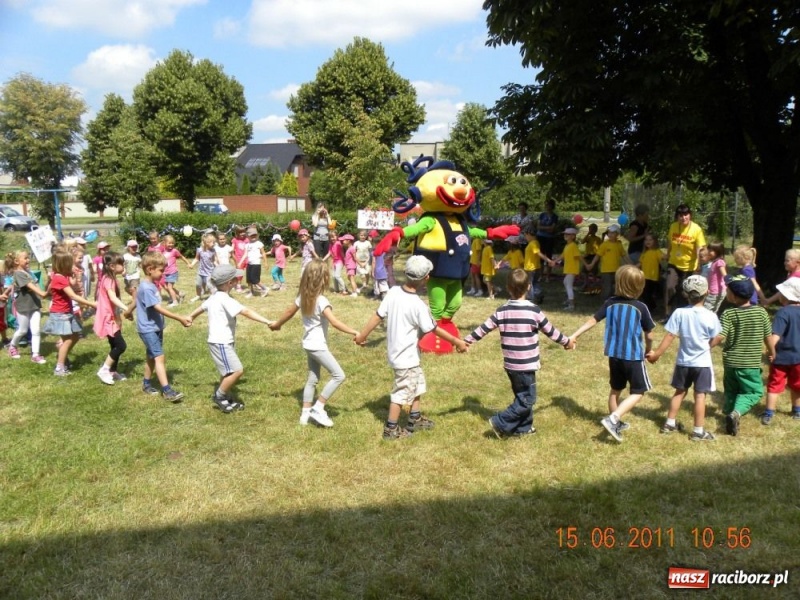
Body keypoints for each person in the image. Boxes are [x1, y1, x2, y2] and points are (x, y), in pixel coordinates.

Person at [354, 255, 468, 440]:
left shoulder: (393, 292)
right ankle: (391, 429)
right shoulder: (418, 305)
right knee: (401, 392)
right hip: (405, 358)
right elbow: (434, 329)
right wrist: (457, 342)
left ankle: (414, 418)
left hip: (399, 354)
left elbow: (377, 316)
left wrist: (362, 335)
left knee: (417, 384)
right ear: (427, 278)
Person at [465, 268, 574, 437]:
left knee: (521, 396)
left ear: (508, 288)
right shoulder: (534, 311)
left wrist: (467, 340)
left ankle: (524, 428)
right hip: (525, 364)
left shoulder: (502, 310)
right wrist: (567, 342)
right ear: (529, 287)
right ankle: (500, 421)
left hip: (510, 364)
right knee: (527, 399)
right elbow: (551, 332)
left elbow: (483, 329)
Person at [270, 259, 360, 427]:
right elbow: (335, 322)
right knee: (339, 375)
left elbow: (289, 312)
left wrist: (277, 324)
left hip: (308, 344)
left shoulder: (302, 296)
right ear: (324, 278)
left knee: (313, 378)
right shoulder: (322, 301)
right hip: (318, 346)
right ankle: (318, 407)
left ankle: (305, 414)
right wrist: (355, 331)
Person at [569, 265, 655, 442]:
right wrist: (649, 349)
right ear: (639, 286)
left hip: (614, 356)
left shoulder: (610, 303)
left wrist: (575, 335)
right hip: (633, 357)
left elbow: (592, 320)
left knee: (615, 390)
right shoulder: (641, 307)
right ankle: (613, 418)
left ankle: (614, 422)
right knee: (639, 391)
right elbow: (650, 334)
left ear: (618, 283)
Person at [188, 264, 275, 414]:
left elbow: (201, 307)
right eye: (236, 278)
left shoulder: (214, 296)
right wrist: (267, 321)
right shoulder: (225, 299)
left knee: (227, 373)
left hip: (221, 341)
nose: (238, 280)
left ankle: (226, 398)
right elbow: (245, 311)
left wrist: (190, 317)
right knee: (236, 371)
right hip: (221, 342)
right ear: (230, 283)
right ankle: (219, 396)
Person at [647, 275, 721, 441]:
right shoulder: (711, 316)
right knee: (700, 396)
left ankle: (669, 423)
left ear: (685, 294)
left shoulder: (679, 313)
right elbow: (718, 336)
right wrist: (708, 346)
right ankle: (698, 431)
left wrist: (656, 354)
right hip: (702, 364)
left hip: (683, 362)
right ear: (707, 293)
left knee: (679, 392)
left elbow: (669, 336)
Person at [124, 251, 192, 402]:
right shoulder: (147, 287)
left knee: (151, 357)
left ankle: (146, 384)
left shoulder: (147, 285)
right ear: (150, 269)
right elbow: (157, 308)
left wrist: (128, 311)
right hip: (148, 329)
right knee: (159, 357)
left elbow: (137, 300)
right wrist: (179, 318)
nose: (163, 273)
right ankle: (167, 391)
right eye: (161, 270)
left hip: (155, 327)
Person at [710, 275, 771, 436]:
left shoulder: (729, 313)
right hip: (749, 363)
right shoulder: (761, 312)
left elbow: (721, 335)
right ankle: (736, 413)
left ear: (734, 296)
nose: (726, 292)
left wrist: (706, 347)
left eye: (728, 291)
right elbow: (768, 336)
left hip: (731, 361)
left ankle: (728, 412)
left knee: (731, 389)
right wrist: (772, 352)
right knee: (753, 392)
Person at [42, 249, 97, 377]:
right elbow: (73, 296)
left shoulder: (61, 276)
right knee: (67, 340)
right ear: (63, 264)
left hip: (67, 311)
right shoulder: (59, 278)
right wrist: (91, 304)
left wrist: (72, 281)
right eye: (69, 263)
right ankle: (59, 367)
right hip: (61, 313)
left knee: (75, 336)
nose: (72, 265)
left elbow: (66, 288)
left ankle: (63, 354)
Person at [762, 278, 800, 424]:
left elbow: (775, 336)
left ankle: (769, 413)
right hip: (799, 358)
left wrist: (770, 351)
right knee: (797, 385)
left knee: (774, 385)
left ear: (786, 296)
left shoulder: (783, 313)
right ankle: (797, 411)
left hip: (781, 358)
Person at [94, 252, 133, 385]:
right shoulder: (109, 279)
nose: (123, 266)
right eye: (121, 264)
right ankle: (104, 370)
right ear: (112, 266)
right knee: (121, 346)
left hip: (112, 316)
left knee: (114, 344)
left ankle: (112, 371)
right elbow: (112, 298)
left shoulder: (109, 278)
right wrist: (126, 308)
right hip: (107, 317)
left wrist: (118, 316)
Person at [6, 250, 48, 363]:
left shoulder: (28, 271)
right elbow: (30, 285)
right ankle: (12, 346)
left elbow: (35, 283)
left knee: (36, 330)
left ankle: (35, 354)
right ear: (16, 261)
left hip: (34, 304)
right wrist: (43, 293)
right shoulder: (18, 273)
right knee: (22, 330)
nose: (28, 260)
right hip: (23, 306)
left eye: (28, 258)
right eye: (25, 258)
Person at [666, 204, 706, 315]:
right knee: (670, 287)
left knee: (684, 290)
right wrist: (667, 254)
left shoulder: (696, 229)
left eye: (686, 215)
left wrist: (699, 264)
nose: (683, 218)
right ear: (677, 217)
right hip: (673, 263)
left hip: (689, 266)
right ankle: (668, 313)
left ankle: (683, 313)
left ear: (690, 215)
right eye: (680, 215)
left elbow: (700, 248)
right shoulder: (673, 226)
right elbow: (670, 242)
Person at [584, 223, 627, 299]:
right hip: (606, 270)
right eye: (609, 232)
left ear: (617, 234)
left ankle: (613, 300)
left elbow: (624, 256)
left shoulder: (619, 245)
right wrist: (591, 264)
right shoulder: (604, 244)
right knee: (607, 287)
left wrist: (632, 264)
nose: (610, 234)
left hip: (616, 270)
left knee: (615, 287)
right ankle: (605, 302)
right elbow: (597, 256)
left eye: (613, 233)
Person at [523, 227, 554, 303]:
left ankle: (531, 298)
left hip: (530, 268)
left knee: (529, 283)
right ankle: (539, 294)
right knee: (535, 282)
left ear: (530, 235)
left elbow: (539, 253)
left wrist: (548, 260)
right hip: (536, 267)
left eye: (526, 235)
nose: (525, 237)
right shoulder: (536, 242)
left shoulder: (533, 243)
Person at [237, 227, 269, 298]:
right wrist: (240, 263)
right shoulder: (247, 245)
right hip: (249, 264)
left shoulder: (259, 244)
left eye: (255, 235)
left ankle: (265, 288)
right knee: (249, 280)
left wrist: (265, 262)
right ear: (247, 236)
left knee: (255, 280)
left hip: (256, 264)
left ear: (257, 235)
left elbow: (263, 253)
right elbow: (245, 254)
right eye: (251, 235)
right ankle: (251, 292)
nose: (253, 237)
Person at [161, 235, 191, 307]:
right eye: (169, 243)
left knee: (170, 287)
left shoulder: (174, 251)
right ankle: (180, 294)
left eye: (172, 243)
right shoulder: (163, 252)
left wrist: (188, 263)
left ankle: (175, 302)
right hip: (166, 273)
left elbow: (181, 257)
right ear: (164, 243)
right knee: (166, 287)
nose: (171, 245)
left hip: (173, 272)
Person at [637, 232, 663, 316]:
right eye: (646, 240)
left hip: (652, 277)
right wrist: (632, 268)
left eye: (650, 240)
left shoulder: (657, 251)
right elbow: (640, 263)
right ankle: (652, 306)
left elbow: (664, 258)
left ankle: (650, 309)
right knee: (644, 293)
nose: (648, 241)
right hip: (644, 276)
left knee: (647, 294)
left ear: (655, 241)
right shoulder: (644, 253)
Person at [189, 233, 217, 302]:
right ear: (206, 242)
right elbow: (197, 258)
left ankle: (214, 297)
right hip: (200, 271)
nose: (213, 243)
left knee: (210, 285)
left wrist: (218, 266)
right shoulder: (200, 250)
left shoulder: (213, 251)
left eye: (214, 242)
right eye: (211, 242)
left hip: (209, 272)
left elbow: (214, 261)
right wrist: (192, 264)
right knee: (198, 284)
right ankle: (198, 296)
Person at [537, 199, 558, 280]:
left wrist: (544, 228)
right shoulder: (542, 215)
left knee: (549, 256)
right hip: (540, 237)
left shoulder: (555, 216)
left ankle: (548, 276)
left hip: (550, 238)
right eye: (546, 205)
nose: (547, 206)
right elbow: (538, 227)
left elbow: (552, 229)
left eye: (548, 205)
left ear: (552, 206)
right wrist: (548, 228)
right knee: (540, 256)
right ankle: (541, 275)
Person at [560, 227, 581, 311]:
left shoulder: (573, 246)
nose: (565, 235)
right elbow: (563, 255)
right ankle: (569, 300)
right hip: (568, 268)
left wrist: (587, 264)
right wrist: (554, 261)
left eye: (567, 234)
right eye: (565, 234)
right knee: (565, 282)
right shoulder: (567, 246)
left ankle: (571, 305)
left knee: (568, 286)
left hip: (572, 269)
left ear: (573, 236)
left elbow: (579, 256)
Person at [704, 242, 727, 312]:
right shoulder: (714, 262)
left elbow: (724, 275)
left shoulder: (719, 262)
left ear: (718, 252)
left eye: (711, 250)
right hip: (714, 291)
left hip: (715, 292)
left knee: (706, 311)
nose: (708, 252)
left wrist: (730, 285)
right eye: (709, 250)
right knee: (712, 311)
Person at [580, 223, 601, 289]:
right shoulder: (588, 238)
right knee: (585, 270)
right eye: (590, 229)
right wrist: (588, 233)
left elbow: (601, 247)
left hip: (594, 256)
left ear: (596, 230)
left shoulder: (598, 239)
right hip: (588, 255)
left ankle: (594, 283)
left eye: (592, 229)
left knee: (594, 270)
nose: (591, 231)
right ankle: (586, 282)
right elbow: (582, 242)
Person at [467, 232, 484, 296]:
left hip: (475, 262)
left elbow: (479, 251)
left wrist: (478, 261)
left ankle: (480, 290)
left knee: (476, 276)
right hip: (472, 261)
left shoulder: (477, 240)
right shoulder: (474, 240)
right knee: (472, 276)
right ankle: (473, 289)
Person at [231, 226, 248, 293]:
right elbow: (232, 250)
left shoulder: (247, 240)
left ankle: (253, 284)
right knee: (239, 273)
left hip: (247, 259)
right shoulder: (234, 240)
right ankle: (238, 285)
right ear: (237, 233)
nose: (242, 233)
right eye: (240, 232)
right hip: (238, 260)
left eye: (243, 232)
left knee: (249, 272)